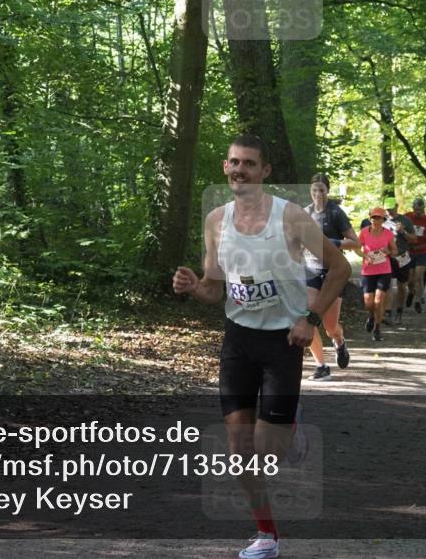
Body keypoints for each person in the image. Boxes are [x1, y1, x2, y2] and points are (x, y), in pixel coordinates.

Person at [173, 134, 350, 559]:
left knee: (269, 450)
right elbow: (216, 290)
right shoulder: (216, 220)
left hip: (283, 341)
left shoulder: (290, 218)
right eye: (234, 162)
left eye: (249, 164)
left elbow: (340, 268)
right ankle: (267, 536)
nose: (240, 170)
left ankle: (290, 426)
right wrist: (195, 287)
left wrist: (310, 321)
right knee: (239, 451)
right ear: (224, 167)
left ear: (265, 171)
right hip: (238, 340)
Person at [304, 173, 357, 381]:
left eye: (322, 190)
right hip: (310, 271)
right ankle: (321, 366)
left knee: (330, 327)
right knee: (309, 317)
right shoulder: (304, 213)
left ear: (328, 191)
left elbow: (356, 242)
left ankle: (340, 341)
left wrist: (333, 243)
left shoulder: (336, 213)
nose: (318, 194)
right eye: (314, 190)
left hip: (333, 273)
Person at [357, 207, 396, 341]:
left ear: (383, 219)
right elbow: (356, 247)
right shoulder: (363, 232)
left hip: (384, 271)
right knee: (369, 303)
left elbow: (395, 251)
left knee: (379, 301)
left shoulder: (388, 234)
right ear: (370, 219)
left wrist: (388, 252)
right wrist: (365, 256)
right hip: (368, 271)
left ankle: (377, 329)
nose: (376, 220)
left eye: (378, 217)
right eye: (373, 217)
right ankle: (371, 316)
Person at [382, 197, 415, 324]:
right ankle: (388, 312)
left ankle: (399, 311)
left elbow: (414, 239)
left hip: (402, 257)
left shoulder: (405, 220)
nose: (389, 211)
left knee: (402, 285)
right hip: (387, 257)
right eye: (387, 209)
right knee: (388, 284)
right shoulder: (382, 221)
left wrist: (403, 232)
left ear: (397, 206)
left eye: (392, 208)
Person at [404, 197, 426, 313]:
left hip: (422, 252)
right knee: (410, 280)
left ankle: (417, 300)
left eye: (421, 210)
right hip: (409, 252)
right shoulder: (407, 217)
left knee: (419, 277)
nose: (419, 212)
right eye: (417, 210)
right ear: (413, 208)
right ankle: (411, 292)